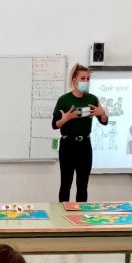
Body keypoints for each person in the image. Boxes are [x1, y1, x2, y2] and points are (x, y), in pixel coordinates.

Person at [52, 64, 108, 202]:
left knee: (82, 185)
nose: (86, 81)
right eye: (83, 78)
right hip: (67, 145)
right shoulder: (64, 100)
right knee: (66, 184)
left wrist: (103, 114)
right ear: (74, 80)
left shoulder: (92, 99)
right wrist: (64, 119)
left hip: (84, 145)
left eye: (88, 78)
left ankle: (81, 217)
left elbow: (104, 121)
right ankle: (62, 216)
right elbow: (54, 124)